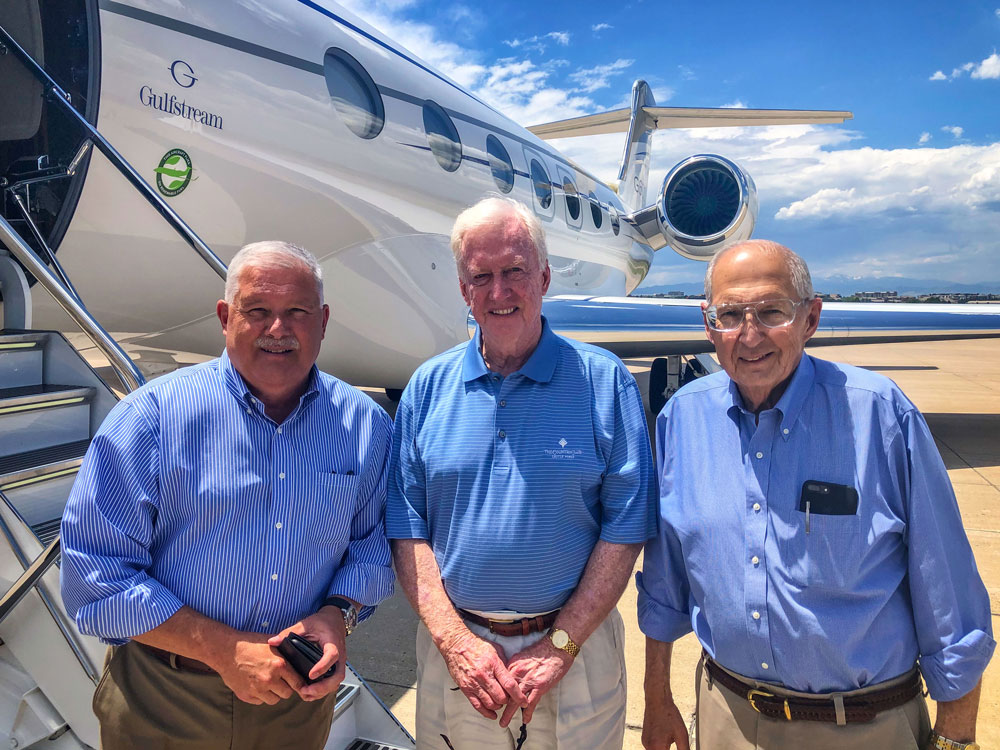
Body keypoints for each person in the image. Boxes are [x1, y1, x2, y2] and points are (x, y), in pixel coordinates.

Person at [638, 239, 995, 750]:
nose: (750, 334)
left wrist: (956, 739)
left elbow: (950, 597)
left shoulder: (880, 416)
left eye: (771, 312)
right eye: (730, 314)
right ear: (707, 323)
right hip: (727, 718)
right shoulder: (681, 420)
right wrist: (657, 695)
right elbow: (666, 583)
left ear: (811, 318)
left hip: (864, 727)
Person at [60, 241, 395, 750]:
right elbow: (93, 578)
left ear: (323, 321)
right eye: (257, 311)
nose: (278, 329)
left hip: (297, 704)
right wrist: (223, 649)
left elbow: (372, 547)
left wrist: (338, 612)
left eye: (297, 312)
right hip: (167, 699)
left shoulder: (365, 426)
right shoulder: (152, 419)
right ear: (225, 316)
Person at [387, 196, 655, 749]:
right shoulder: (426, 389)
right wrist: (455, 641)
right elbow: (406, 527)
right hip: (459, 658)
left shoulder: (604, 383)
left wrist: (561, 645)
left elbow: (625, 528)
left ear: (545, 277)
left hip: (575, 655)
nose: (499, 292)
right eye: (481, 276)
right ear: (464, 291)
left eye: (515, 271)